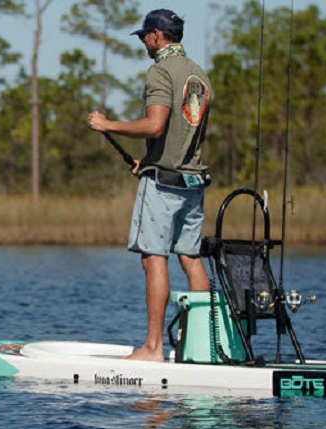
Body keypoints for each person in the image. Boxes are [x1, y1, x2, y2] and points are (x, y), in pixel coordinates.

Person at [87, 9, 213, 362]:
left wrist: (108, 125)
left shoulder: (160, 71)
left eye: (145, 35)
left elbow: (156, 125)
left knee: (153, 259)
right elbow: (186, 133)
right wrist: (151, 158)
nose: (143, 41)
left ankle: (154, 348)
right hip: (193, 181)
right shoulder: (199, 74)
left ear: (158, 35)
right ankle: (199, 348)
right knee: (190, 257)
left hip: (164, 184)